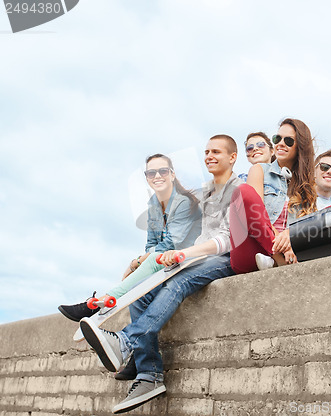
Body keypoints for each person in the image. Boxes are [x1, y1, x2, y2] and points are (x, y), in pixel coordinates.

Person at [78, 135, 242, 414]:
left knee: (177, 282)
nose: (209, 156)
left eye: (216, 151)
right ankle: (149, 375)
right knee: (144, 292)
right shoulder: (206, 192)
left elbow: (228, 239)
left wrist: (185, 254)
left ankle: (127, 341)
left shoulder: (239, 189)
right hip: (197, 256)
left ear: (232, 157)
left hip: (224, 259)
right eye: (206, 152)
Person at [58, 154, 202, 322]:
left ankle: (103, 301)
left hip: (190, 259)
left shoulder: (183, 202)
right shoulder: (154, 205)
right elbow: (150, 245)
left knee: (154, 259)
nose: (157, 176)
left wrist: (136, 263)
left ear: (172, 174)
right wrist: (140, 262)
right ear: (146, 178)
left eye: (162, 171)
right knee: (142, 283)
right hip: (166, 264)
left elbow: (171, 243)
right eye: (151, 173)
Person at [229, 118, 317, 273]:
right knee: (243, 192)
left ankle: (276, 260)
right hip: (254, 249)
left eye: (289, 141)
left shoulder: (308, 187)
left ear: (300, 147)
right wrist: (280, 250)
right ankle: (278, 260)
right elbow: (256, 217)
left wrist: (290, 235)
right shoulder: (259, 170)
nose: (281, 143)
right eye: (278, 138)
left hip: (292, 251)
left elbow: (310, 224)